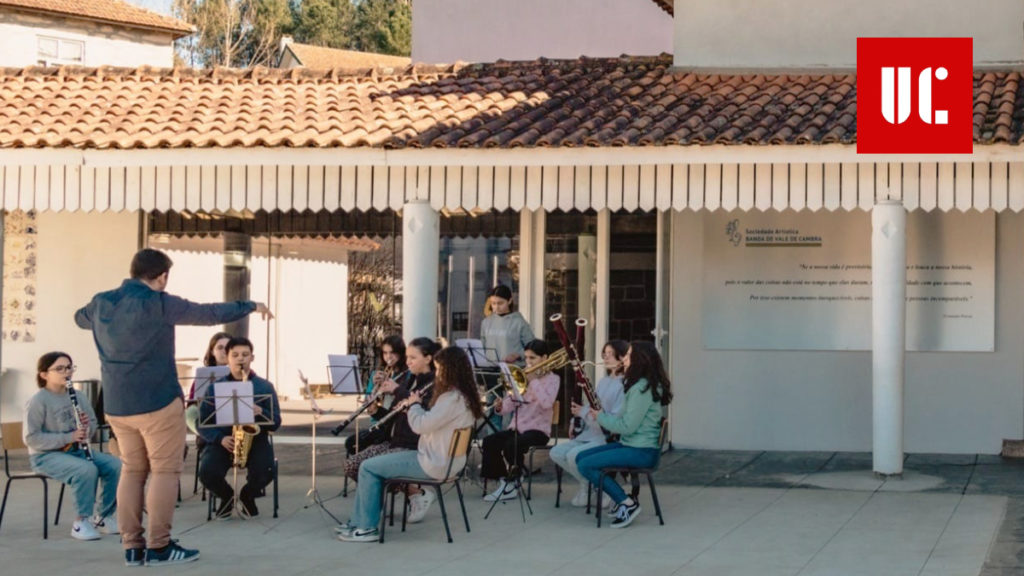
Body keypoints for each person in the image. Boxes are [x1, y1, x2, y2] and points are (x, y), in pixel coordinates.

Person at [74, 248, 272, 566]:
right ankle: (160, 546)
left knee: (132, 471)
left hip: (117, 404)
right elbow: (209, 313)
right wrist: (250, 305)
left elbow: (79, 318)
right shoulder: (160, 303)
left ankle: (132, 548)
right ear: (163, 276)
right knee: (164, 471)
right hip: (157, 402)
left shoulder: (101, 302)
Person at [337, 346, 483, 543]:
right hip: (446, 461)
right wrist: (410, 410)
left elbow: (420, 426)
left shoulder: (451, 399)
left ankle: (366, 528)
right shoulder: (463, 396)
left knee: (368, 467)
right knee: (372, 465)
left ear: (450, 370)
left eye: (440, 369)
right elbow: (431, 420)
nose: (437, 373)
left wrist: (413, 405)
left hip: (433, 463)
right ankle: (359, 521)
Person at [23, 352, 122, 541]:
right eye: (59, 368)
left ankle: (102, 517)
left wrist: (86, 427)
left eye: (69, 367)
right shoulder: (38, 401)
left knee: (115, 466)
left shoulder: (78, 396)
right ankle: (80, 522)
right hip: (46, 456)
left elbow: (92, 424)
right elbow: (31, 438)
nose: (66, 372)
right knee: (86, 470)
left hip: (75, 450)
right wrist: (69, 436)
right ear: (44, 375)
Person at [339, 337, 439, 524]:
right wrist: (376, 411)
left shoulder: (434, 384)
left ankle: (411, 495)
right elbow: (393, 415)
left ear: (428, 358)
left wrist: (396, 389)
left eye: (413, 358)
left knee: (368, 467)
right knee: (352, 464)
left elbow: (423, 413)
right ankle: (376, 502)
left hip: (414, 445)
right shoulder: (411, 381)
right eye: (407, 357)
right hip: (395, 440)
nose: (408, 362)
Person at [574, 341, 672, 529]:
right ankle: (622, 500)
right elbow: (621, 418)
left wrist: (601, 417)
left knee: (586, 465)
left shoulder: (642, 389)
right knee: (581, 457)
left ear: (639, 360)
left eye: (628, 356)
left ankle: (626, 503)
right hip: (632, 445)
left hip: (641, 451)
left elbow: (627, 427)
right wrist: (598, 414)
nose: (625, 360)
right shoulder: (638, 385)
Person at [197, 337, 282, 519]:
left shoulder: (264, 386)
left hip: (255, 439)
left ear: (252, 357)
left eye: (245, 355)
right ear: (227, 358)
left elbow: (276, 422)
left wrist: (261, 411)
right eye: (235, 355)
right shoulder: (214, 388)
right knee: (207, 472)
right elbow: (201, 423)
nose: (240, 359)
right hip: (224, 439)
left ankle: (247, 496)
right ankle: (227, 497)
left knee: (265, 471)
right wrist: (220, 439)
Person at [550, 340, 627, 507]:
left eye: (609, 354)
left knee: (573, 456)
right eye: (604, 354)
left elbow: (613, 417)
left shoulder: (624, 385)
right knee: (556, 452)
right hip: (590, 432)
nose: (605, 358)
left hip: (606, 436)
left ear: (622, 358)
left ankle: (603, 487)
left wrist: (583, 412)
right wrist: (574, 419)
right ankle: (588, 485)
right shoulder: (604, 381)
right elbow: (590, 406)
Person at [480, 339, 560, 502]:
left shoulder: (553, 379)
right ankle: (506, 479)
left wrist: (533, 381)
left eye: (533, 358)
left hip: (539, 431)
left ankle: (512, 482)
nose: (528, 362)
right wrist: (500, 406)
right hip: (517, 427)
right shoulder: (522, 376)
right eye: (527, 358)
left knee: (512, 445)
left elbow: (546, 403)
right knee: (489, 442)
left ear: (544, 358)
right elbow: (511, 405)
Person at [344, 335, 413, 456]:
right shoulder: (377, 374)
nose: (388, 357)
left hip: (393, 424)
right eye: (385, 353)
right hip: (377, 421)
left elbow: (405, 398)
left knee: (357, 444)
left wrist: (392, 387)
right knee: (351, 443)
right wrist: (374, 390)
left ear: (401, 353)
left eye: (392, 353)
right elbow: (368, 402)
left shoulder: (408, 374)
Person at [184, 331, 231, 436]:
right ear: (212, 351)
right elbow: (192, 407)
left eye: (228, 347)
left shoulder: (244, 373)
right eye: (220, 348)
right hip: (208, 422)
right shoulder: (202, 375)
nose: (225, 351)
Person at [480, 284, 534, 365]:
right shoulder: (486, 322)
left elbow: (532, 347)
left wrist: (518, 355)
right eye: (493, 303)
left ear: (509, 301)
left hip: (513, 369)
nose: (496, 307)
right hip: (489, 368)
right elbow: (482, 347)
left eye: (500, 303)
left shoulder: (519, 322)